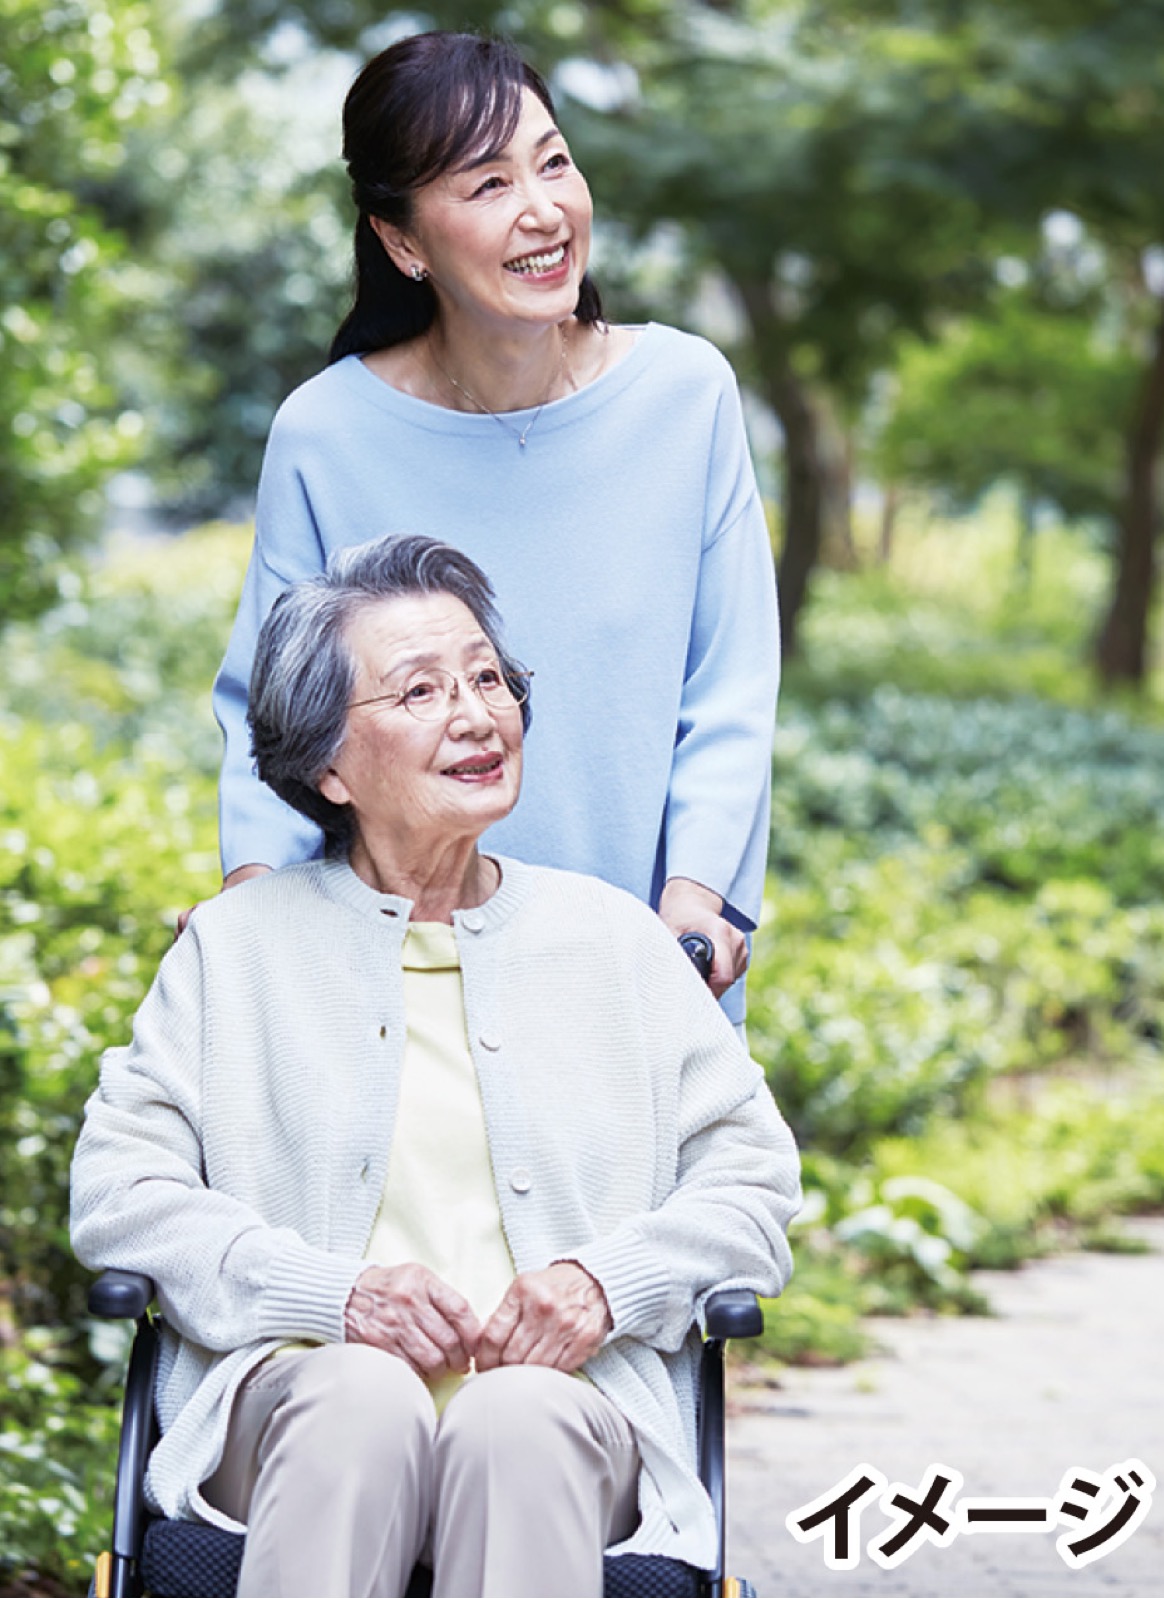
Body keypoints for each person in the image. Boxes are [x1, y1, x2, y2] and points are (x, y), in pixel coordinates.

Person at [72, 535, 801, 1598]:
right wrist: (333, 1296)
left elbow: (754, 1184)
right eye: (420, 689)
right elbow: (119, 1195)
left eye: (488, 678)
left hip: (571, 1413)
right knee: (358, 1395)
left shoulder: (615, 941)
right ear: (327, 763)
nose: (476, 712)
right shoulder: (235, 951)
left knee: (517, 1413)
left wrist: (607, 1284)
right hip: (293, 1411)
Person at [211, 29, 780, 1025]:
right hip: (398, 982)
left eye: (553, 162)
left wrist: (697, 895)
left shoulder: (685, 396)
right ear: (402, 240)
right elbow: (277, 716)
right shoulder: (326, 433)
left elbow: (728, 688)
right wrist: (253, 900)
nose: (543, 209)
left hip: (644, 972)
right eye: (486, 185)